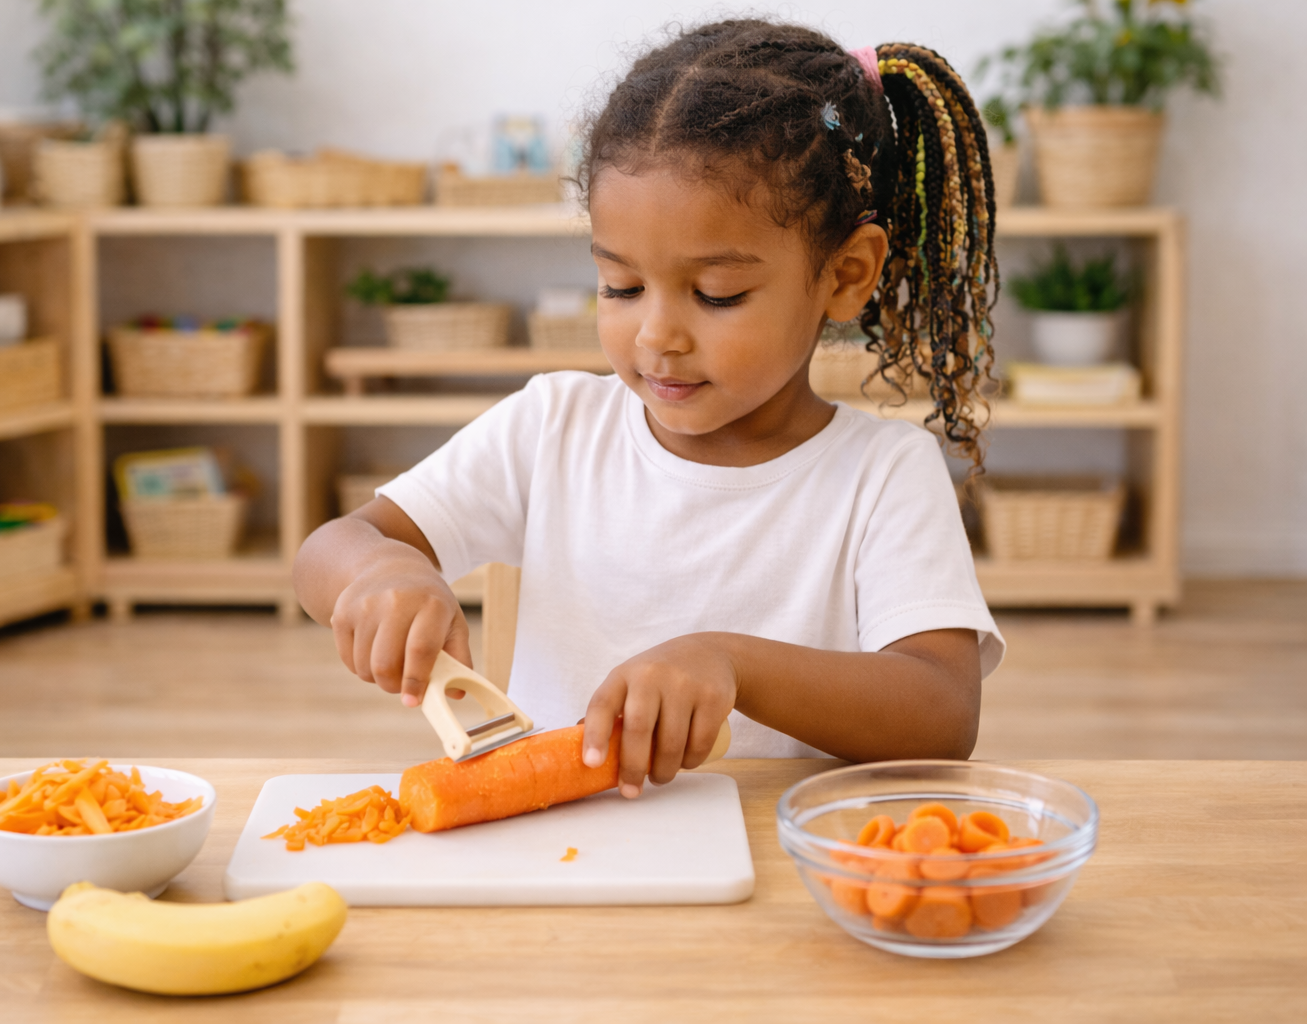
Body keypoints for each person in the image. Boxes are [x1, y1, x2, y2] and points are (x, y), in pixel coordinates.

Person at [295, 20, 1005, 799]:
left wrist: (732, 664)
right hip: (566, 852)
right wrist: (379, 571)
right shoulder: (554, 428)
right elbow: (333, 546)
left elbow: (941, 711)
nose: (657, 335)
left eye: (716, 294)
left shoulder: (882, 476)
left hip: (780, 865)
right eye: (621, 287)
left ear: (845, 275)